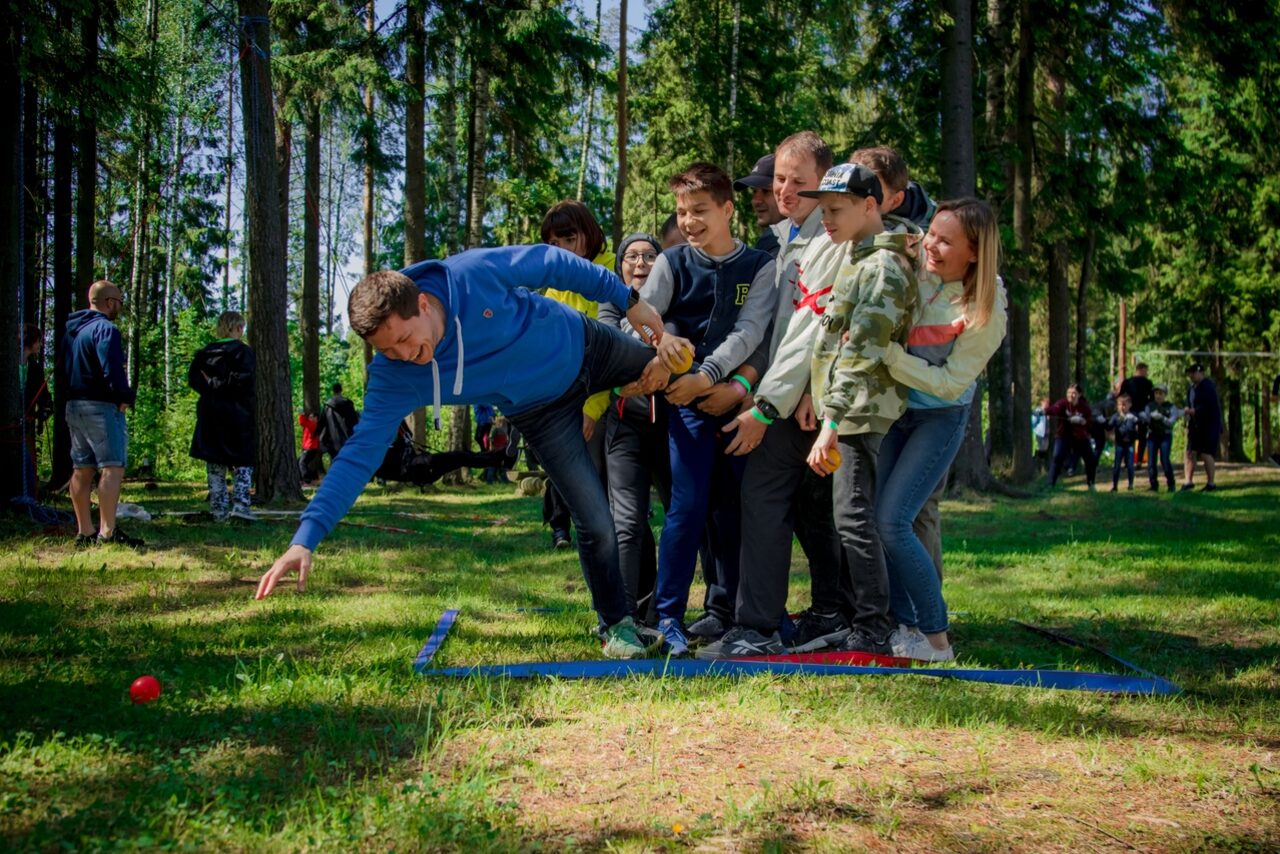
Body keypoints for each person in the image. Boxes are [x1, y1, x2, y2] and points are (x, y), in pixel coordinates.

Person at [252, 244, 669, 662]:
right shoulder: (395, 375)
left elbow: (552, 262)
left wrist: (629, 301)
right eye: (387, 351)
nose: (403, 355)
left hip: (585, 343)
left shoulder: (472, 275)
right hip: (541, 412)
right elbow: (358, 455)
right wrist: (306, 538)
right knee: (595, 519)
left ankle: (724, 606)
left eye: (402, 339)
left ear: (422, 303)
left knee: (676, 366)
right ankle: (617, 626)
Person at [701, 163, 921, 661]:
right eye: (823, 209)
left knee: (855, 519)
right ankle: (847, 619)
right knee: (840, 515)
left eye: (836, 209)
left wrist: (828, 419)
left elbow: (859, 352)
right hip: (830, 407)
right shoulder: (855, 253)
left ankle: (872, 626)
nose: (827, 218)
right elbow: (826, 337)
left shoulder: (878, 265)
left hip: (856, 413)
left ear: (871, 205)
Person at [627, 162, 776, 656]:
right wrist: (663, 341)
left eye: (700, 211)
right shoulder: (671, 263)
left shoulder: (759, 266)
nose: (689, 221)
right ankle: (669, 615)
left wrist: (711, 378)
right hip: (685, 406)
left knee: (735, 509)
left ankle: (733, 612)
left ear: (727, 209)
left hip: (736, 402)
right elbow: (640, 321)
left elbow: (751, 333)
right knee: (686, 508)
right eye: (681, 212)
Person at [711, 130, 849, 656]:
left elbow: (815, 330)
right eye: (780, 180)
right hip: (789, 396)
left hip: (813, 404)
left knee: (798, 507)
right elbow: (768, 327)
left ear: (823, 185)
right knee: (798, 508)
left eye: (799, 182)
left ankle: (767, 626)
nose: (786, 190)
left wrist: (770, 405)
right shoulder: (789, 237)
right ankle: (795, 618)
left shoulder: (829, 240)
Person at [875, 198, 1007, 662]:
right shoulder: (918, 267)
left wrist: (889, 357)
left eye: (946, 240)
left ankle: (937, 640)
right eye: (932, 233)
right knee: (881, 519)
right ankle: (906, 627)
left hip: (938, 417)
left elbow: (952, 384)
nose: (932, 244)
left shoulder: (987, 305)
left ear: (974, 252)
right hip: (897, 411)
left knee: (894, 520)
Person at [850, 146, 945, 581]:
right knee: (873, 503)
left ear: (894, 196)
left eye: (870, 188)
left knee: (916, 506)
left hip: (927, 391)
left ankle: (927, 617)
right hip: (878, 390)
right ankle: (886, 610)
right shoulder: (860, 233)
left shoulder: (933, 238)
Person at [599, 232, 669, 624]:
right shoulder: (609, 300)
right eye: (631, 256)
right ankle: (624, 617)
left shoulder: (676, 292)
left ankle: (668, 611)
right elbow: (609, 349)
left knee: (685, 516)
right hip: (626, 422)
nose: (640, 263)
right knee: (627, 521)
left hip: (676, 423)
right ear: (620, 265)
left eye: (649, 256)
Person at [539, 200, 615, 549]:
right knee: (559, 464)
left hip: (605, 399)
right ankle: (560, 527)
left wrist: (593, 406)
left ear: (589, 233)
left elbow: (611, 350)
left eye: (568, 239)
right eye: (552, 244)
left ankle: (604, 534)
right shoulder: (554, 286)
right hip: (560, 397)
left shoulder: (613, 271)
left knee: (596, 467)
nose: (561, 251)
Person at [59, 280, 143, 548]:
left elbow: (64, 369)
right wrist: (124, 397)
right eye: (119, 301)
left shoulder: (72, 332)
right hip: (101, 407)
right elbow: (112, 369)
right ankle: (107, 533)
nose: (120, 306)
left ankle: (84, 531)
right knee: (112, 467)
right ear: (109, 302)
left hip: (74, 406)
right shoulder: (106, 330)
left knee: (82, 469)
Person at [189, 310, 257, 522]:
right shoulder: (243, 352)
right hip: (237, 413)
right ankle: (241, 505)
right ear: (237, 328)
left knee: (215, 461)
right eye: (241, 328)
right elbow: (243, 380)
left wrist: (210, 385)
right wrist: (220, 384)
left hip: (210, 413)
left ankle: (218, 509)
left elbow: (194, 380)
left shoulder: (204, 354)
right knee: (243, 461)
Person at [20, 324, 52, 498]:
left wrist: (46, 409)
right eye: (38, 340)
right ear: (31, 342)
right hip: (10, 423)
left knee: (29, 461)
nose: (40, 345)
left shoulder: (35, 368)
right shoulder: (7, 363)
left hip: (27, 423)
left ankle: (30, 495)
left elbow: (44, 395)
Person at [1045, 385, 1098, 489]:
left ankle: (1091, 484)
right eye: (1069, 392)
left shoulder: (1084, 407)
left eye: (1074, 393)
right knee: (1057, 457)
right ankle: (1050, 484)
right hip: (1063, 435)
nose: (1071, 395)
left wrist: (1083, 421)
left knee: (1090, 460)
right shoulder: (1063, 403)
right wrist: (1044, 411)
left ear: (1079, 394)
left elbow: (1090, 422)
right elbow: (1054, 409)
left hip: (1080, 437)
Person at [733, 153, 785, 257]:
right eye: (754, 191)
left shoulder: (781, 241)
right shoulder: (771, 239)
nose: (756, 201)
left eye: (766, 191)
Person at [1182, 362, 1221, 492]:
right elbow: (1189, 402)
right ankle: (1188, 481)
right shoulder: (1191, 388)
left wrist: (1195, 411)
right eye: (1190, 373)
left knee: (1206, 453)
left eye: (1193, 373)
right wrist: (1188, 411)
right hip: (1194, 425)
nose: (1191, 376)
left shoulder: (1208, 387)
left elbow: (1209, 406)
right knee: (1189, 452)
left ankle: (1211, 483)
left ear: (1200, 372)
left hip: (1209, 425)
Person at [1141, 384, 1180, 491]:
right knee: (1151, 461)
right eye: (1156, 393)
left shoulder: (1171, 407)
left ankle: (1171, 484)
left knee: (1165, 460)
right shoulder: (1149, 406)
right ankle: (1153, 485)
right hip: (1153, 435)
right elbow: (1146, 419)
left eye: (1160, 394)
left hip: (1165, 435)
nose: (1158, 396)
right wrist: (1146, 417)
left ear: (1165, 395)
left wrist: (1162, 418)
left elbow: (1171, 422)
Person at [1120, 362, 1155, 463]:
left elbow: (1121, 396)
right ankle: (1138, 460)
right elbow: (1152, 399)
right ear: (1142, 370)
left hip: (1131, 411)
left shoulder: (1127, 382)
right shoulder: (1147, 383)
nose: (1146, 373)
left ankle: (1128, 460)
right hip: (1140, 411)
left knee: (1130, 435)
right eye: (1145, 371)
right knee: (1141, 436)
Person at [1106, 394, 1139, 492]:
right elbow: (1109, 426)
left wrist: (1136, 425)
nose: (1123, 407)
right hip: (1119, 444)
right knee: (1117, 465)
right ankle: (1115, 485)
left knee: (1130, 465)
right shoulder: (1116, 416)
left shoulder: (1133, 417)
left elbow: (1137, 430)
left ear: (1130, 405)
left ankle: (1131, 484)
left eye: (1125, 404)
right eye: (1120, 405)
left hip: (1129, 444)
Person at [319, 383, 360, 461]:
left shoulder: (327, 406)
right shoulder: (348, 404)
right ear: (341, 390)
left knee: (335, 462)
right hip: (347, 439)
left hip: (332, 441)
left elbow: (322, 423)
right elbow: (354, 421)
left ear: (333, 391)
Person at [298, 409, 325, 484]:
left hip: (310, 449)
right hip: (309, 448)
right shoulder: (311, 425)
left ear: (316, 418)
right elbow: (303, 424)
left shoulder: (313, 424)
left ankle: (307, 480)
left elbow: (302, 422)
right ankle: (313, 477)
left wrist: (302, 415)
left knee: (302, 463)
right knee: (300, 462)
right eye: (309, 417)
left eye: (311, 417)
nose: (309, 418)